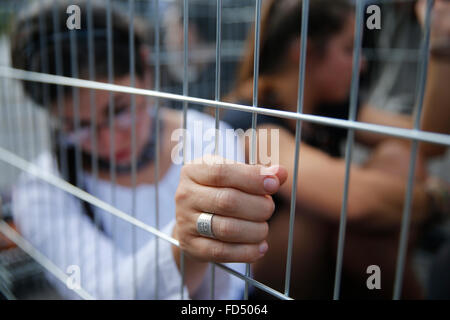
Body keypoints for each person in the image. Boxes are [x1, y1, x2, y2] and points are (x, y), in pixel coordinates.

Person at [10, 0, 288, 299]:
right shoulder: (40, 191)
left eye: (120, 110)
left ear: (145, 68)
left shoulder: (206, 136)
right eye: (76, 125)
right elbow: (97, 292)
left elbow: (232, 289)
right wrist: (184, 244)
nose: (110, 141)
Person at [222, 0, 448, 299]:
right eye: (349, 49)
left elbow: (428, 141)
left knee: (397, 158)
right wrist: (434, 199)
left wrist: (442, 45)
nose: (362, 63)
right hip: (261, 284)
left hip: (330, 266)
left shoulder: (328, 106)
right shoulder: (252, 124)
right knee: (321, 214)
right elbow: (354, 201)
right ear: (303, 52)